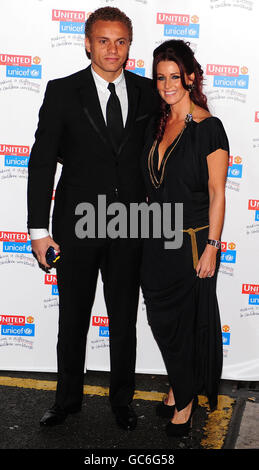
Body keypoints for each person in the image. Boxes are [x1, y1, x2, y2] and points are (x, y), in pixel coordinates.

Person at [27, 7, 158, 430]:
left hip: (130, 224)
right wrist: (38, 231)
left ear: (129, 46)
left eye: (120, 41)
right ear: (87, 43)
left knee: (124, 320)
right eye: (103, 40)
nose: (112, 50)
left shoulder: (147, 92)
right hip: (76, 224)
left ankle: (123, 401)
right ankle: (66, 400)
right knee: (74, 318)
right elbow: (42, 162)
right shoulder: (62, 91)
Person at [140, 40, 229, 437]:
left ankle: (187, 398)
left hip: (192, 245)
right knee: (163, 322)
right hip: (155, 240)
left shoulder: (209, 128)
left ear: (191, 78)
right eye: (161, 77)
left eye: (175, 76)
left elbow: (217, 193)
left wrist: (212, 246)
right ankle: (180, 381)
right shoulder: (158, 123)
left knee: (185, 324)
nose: (167, 84)